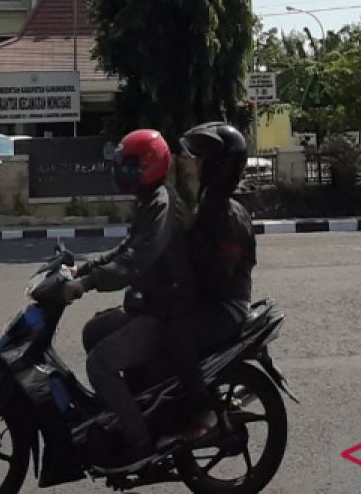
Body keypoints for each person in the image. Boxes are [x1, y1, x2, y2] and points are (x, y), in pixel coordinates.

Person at [62, 128, 191, 471]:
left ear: (150, 166)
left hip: (162, 314)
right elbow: (126, 249)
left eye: (130, 166)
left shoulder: (161, 205)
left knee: (99, 364)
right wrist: (83, 269)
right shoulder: (151, 201)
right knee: (94, 332)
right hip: (147, 304)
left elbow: (135, 261)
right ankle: (133, 405)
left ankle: (140, 443)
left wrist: (87, 283)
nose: (123, 172)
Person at [160, 122, 257, 446]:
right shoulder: (210, 205)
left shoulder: (227, 215)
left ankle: (203, 408)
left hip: (226, 306)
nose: (193, 165)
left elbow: (216, 277)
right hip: (213, 299)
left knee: (176, 335)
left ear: (217, 166)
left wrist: (190, 231)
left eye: (199, 159)